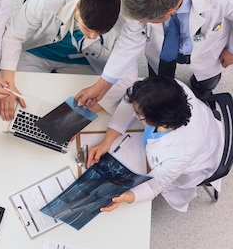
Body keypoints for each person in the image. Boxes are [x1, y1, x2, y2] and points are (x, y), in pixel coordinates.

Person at [76, 0, 233, 108]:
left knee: (207, 80)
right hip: (164, 48)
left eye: (145, 21)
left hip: (208, 46)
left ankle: (200, 94)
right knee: (159, 78)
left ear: (169, 12)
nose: (140, 24)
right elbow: (128, 42)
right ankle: (162, 91)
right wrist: (102, 85)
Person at [87, 75, 224, 212]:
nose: (134, 115)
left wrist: (126, 197)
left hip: (200, 159)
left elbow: (154, 186)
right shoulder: (170, 89)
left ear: (158, 120)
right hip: (205, 125)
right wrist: (107, 141)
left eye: (139, 115)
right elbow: (132, 101)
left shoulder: (179, 153)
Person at [0, 0, 125, 120]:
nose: (93, 37)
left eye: (100, 33)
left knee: (83, 102)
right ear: (78, 7)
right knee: (22, 101)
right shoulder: (46, 1)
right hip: (37, 53)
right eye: (87, 29)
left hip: (82, 62)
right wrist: (8, 86)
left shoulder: (121, 27)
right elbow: (13, 36)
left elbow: (125, 70)